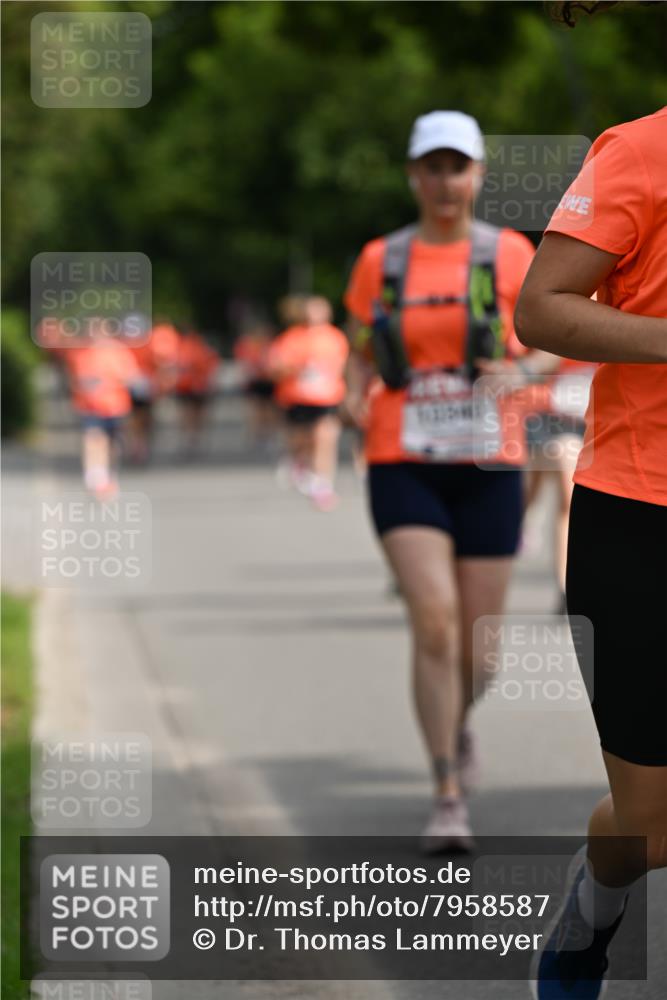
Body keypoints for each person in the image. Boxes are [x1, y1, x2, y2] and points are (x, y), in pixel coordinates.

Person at [344, 110, 559, 852]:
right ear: (412, 174)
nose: (443, 180)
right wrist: (352, 387)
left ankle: (455, 721)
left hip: (488, 459)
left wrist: (521, 370)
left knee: (479, 650)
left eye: (456, 166)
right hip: (401, 457)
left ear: (477, 175)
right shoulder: (382, 257)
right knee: (431, 619)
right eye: (430, 166)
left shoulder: (509, 254)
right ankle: (444, 791)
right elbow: (361, 344)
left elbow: (554, 341)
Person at [515, 100, 667, 997]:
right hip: (640, 512)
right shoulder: (640, 151)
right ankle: (587, 919)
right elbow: (542, 310)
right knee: (651, 828)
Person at [523, 356, 597, 612]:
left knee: (543, 487)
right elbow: (532, 353)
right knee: (567, 495)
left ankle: (522, 516)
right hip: (556, 416)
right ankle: (564, 586)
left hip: (599, 419)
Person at [269, 295, 349, 511]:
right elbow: (275, 369)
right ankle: (298, 461)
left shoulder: (336, 337)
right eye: (312, 310)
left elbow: (343, 368)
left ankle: (323, 486)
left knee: (325, 436)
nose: (316, 315)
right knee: (302, 441)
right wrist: (297, 368)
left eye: (320, 310)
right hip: (297, 397)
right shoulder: (291, 338)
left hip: (328, 397)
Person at [62, 318, 141, 498]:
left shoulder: (118, 350)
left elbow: (131, 375)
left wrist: (114, 380)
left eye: (98, 329)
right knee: (94, 439)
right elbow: (73, 377)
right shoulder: (80, 352)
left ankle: (109, 475)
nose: (94, 333)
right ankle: (95, 476)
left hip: (116, 406)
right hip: (90, 406)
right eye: (91, 329)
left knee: (112, 444)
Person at [126, 319, 180, 463]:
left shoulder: (150, 345)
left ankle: (142, 443)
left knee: (145, 417)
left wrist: (163, 383)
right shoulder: (125, 346)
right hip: (132, 385)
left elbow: (160, 364)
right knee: (134, 417)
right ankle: (136, 445)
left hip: (147, 386)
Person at [173, 324, 220, 455]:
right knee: (191, 412)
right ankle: (192, 437)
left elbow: (210, 366)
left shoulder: (191, 347)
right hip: (188, 385)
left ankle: (192, 437)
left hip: (195, 385)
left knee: (193, 412)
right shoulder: (186, 347)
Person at [233, 322, 279, 451]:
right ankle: (257, 435)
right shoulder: (248, 345)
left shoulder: (272, 345)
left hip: (269, 380)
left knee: (270, 409)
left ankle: (269, 434)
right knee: (256, 408)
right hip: (255, 381)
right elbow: (244, 363)